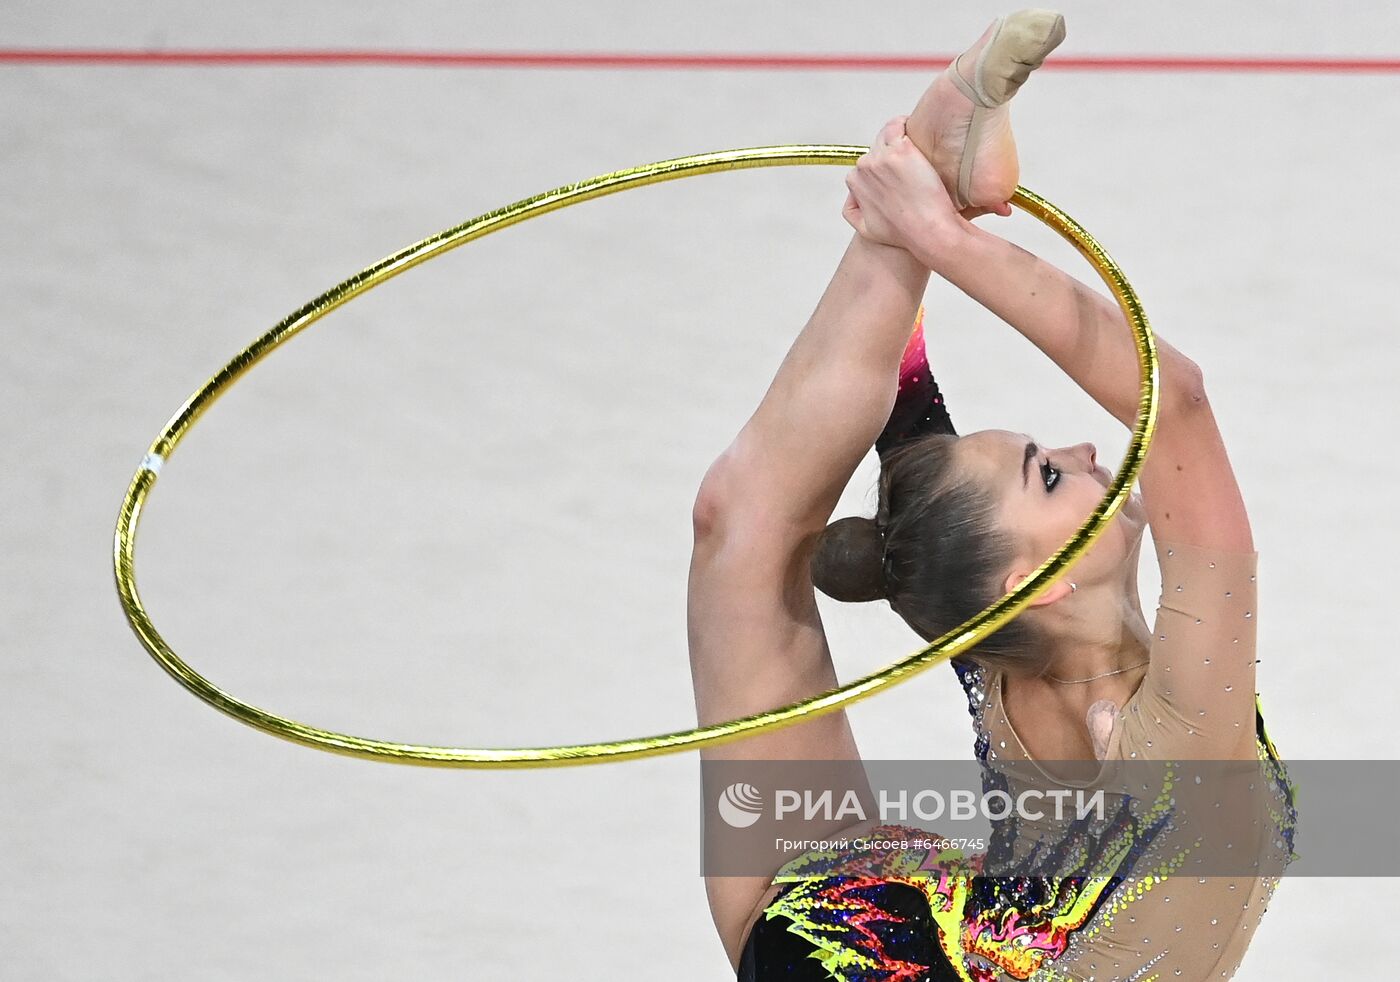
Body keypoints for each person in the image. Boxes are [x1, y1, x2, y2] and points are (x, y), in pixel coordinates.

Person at [686, 9, 1296, 981]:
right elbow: (1166, 405)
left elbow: (1144, 408)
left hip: (865, 946)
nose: (1086, 443)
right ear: (1031, 583)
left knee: (741, 527)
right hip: (887, 931)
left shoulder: (1089, 680)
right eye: (1048, 472)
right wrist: (927, 229)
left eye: (1042, 461)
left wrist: (932, 233)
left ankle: (927, 177)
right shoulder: (1156, 712)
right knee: (737, 519)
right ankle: (929, 165)